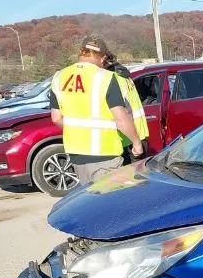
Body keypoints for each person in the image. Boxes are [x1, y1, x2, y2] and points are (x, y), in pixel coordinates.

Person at [49, 34, 143, 185]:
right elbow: (120, 117)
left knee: (91, 199)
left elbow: (56, 118)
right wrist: (136, 143)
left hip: (76, 154)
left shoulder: (59, 76)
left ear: (81, 52)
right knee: (110, 202)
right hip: (105, 153)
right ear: (103, 57)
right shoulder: (104, 77)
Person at [103, 51, 149, 160]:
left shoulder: (111, 79)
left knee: (127, 174)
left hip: (125, 136)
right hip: (138, 131)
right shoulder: (124, 75)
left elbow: (121, 111)